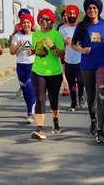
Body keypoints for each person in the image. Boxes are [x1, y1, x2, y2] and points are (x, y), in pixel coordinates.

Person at [71, 0, 104, 144]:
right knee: (91, 95)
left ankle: (100, 130)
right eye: (89, 8)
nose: (92, 10)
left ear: (99, 10)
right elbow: (73, 44)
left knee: (101, 95)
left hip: (102, 63)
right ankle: (93, 120)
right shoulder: (82, 26)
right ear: (86, 11)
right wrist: (82, 49)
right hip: (87, 64)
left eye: (94, 8)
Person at [29, 8, 66, 140]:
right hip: (38, 71)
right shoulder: (35, 35)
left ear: (51, 21)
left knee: (53, 98)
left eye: (47, 19)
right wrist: (31, 51)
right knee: (40, 99)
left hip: (54, 72)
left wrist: (52, 46)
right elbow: (36, 50)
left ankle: (55, 121)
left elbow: (62, 54)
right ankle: (40, 129)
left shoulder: (56, 35)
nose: (44, 21)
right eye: (41, 19)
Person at [9, 13, 36, 124]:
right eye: (24, 22)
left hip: (33, 65)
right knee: (24, 90)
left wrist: (33, 51)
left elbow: (41, 50)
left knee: (30, 87)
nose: (26, 24)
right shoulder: (17, 36)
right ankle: (29, 108)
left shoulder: (36, 35)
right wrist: (19, 44)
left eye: (28, 22)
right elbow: (12, 52)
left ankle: (31, 112)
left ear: (31, 24)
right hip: (21, 65)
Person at [58, 4, 85, 111]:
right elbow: (59, 44)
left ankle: (81, 97)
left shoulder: (82, 27)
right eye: (70, 13)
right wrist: (65, 42)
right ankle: (73, 103)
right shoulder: (62, 29)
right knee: (71, 84)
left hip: (81, 60)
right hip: (68, 60)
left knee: (81, 81)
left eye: (74, 13)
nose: (72, 15)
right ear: (67, 15)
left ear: (77, 15)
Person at [56, 9, 70, 96]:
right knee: (63, 70)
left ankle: (74, 82)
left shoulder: (75, 25)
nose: (65, 17)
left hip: (74, 53)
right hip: (63, 52)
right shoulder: (60, 27)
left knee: (72, 70)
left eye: (67, 15)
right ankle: (65, 88)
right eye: (64, 15)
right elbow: (58, 39)